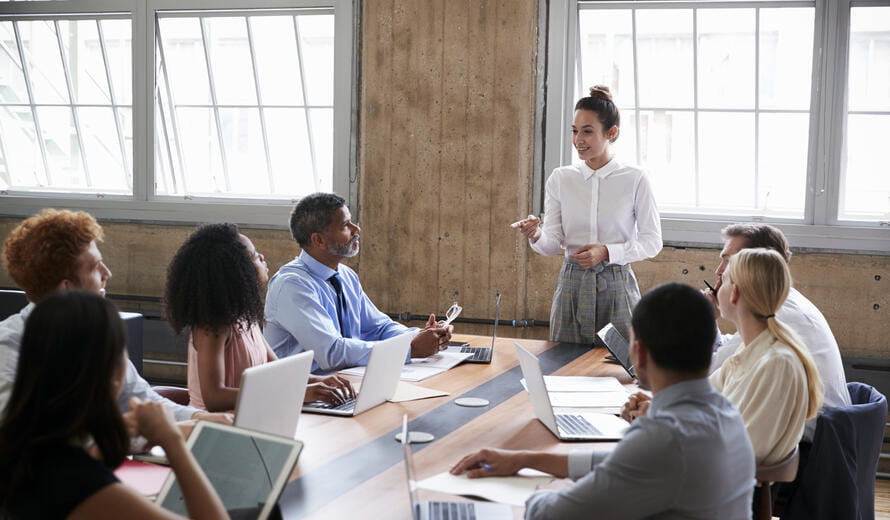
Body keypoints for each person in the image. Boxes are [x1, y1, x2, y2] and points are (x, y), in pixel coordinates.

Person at [450, 283, 755, 519]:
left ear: (640, 353)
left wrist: (548, 489)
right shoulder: (725, 412)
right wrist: (527, 460)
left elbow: (552, 515)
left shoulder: (664, 438)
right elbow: (621, 465)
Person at [0, 290, 227, 519]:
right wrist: (173, 441)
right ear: (110, 373)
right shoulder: (82, 485)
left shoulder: (25, 450)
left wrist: (106, 441)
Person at [0, 208, 227, 424]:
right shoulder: (8, 347)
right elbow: (26, 434)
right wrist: (158, 433)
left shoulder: (95, 332)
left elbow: (143, 399)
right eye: (96, 267)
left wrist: (201, 419)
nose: (107, 274)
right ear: (66, 289)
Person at [511, 85, 661, 344]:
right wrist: (536, 234)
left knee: (623, 368)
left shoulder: (635, 178)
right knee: (562, 366)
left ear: (611, 133)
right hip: (572, 285)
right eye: (574, 130)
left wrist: (606, 252)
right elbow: (551, 245)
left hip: (617, 284)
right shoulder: (561, 178)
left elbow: (652, 242)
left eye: (587, 131)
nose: (578, 139)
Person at [164, 222, 355, 412]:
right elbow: (215, 398)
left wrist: (319, 381)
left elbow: (278, 370)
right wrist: (301, 392)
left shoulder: (245, 317)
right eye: (255, 256)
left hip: (251, 417)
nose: (262, 257)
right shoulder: (212, 327)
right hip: (215, 426)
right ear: (237, 272)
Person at [264, 192, 453, 371]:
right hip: (306, 394)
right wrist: (410, 349)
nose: (357, 229)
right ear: (319, 240)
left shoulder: (345, 275)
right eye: (345, 225)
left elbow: (379, 328)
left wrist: (420, 335)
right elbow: (332, 352)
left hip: (346, 383)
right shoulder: (292, 286)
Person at [707, 223, 849, 441]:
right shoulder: (779, 306)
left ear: (755, 266)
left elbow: (707, 377)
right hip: (794, 441)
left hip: (803, 451)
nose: (718, 271)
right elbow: (720, 372)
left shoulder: (779, 319)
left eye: (727, 262)